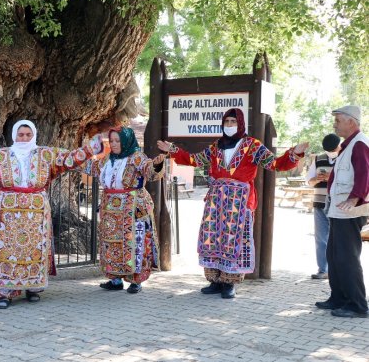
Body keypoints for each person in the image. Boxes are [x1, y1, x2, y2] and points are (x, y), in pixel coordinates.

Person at [158, 108, 308, 299]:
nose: (229, 125)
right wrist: (173, 150)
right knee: (212, 237)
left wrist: (294, 154)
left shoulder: (252, 145)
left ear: (241, 124)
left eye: (233, 122)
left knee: (234, 238)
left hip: (240, 200)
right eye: (226, 122)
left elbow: (275, 164)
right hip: (216, 201)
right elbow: (194, 160)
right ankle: (215, 280)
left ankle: (230, 283)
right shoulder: (215, 147)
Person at [0, 119, 106, 309]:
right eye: (20, 135)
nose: (24, 138)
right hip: (7, 211)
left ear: (34, 135)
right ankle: (4, 292)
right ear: (14, 135)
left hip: (36, 210)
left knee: (34, 249)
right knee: (6, 248)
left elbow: (69, 158)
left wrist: (90, 149)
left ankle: (32, 288)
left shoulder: (46, 154)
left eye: (28, 135)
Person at [85, 127, 166, 293]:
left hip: (133, 206)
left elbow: (151, 172)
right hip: (111, 209)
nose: (114, 144)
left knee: (135, 242)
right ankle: (115, 280)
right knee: (112, 244)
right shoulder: (108, 158)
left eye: (118, 141)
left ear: (126, 141)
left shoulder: (137, 157)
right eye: (112, 141)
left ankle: (136, 281)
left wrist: (157, 164)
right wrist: (80, 156)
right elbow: (92, 168)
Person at [316, 105, 368, 318]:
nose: (335, 124)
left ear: (351, 122)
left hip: (351, 210)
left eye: (338, 120)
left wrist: (355, 198)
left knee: (347, 257)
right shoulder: (348, 146)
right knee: (334, 255)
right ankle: (338, 297)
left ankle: (358, 305)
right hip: (339, 210)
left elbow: (366, 174)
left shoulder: (360, 144)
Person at [305, 133, 341, 279]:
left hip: (338, 204)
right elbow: (309, 181)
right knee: (321, 238)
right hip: (319, 202)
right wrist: (316, 179)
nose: (331, 152)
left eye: (333, 149)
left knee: (338, 238)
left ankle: (337, 270)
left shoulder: (345, 157)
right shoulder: (319, 159)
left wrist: (330, 178)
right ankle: (323, 269)